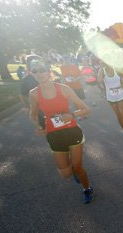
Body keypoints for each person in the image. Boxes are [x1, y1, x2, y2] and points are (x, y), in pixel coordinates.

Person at [28, 61, 94, 203]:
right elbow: (33, 114)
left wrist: (72, 115)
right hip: (54, 135)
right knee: (66, 174)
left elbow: (87, 109)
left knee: (77, 167)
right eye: (35, 71)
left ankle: (87, 188)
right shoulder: (33, 93)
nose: (39, 74)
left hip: (72, 132)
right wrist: (39, 126)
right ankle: (74, 171)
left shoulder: (63, 88)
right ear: (32, 74)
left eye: (41, 70)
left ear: (48, 71)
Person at [97, 63, 123, 139]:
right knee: (118, 115)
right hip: (111, 97)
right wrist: (100, 69)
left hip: (120, 95)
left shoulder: (116, 68)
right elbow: (99, 80)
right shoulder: (102, 71)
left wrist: (122, 84)